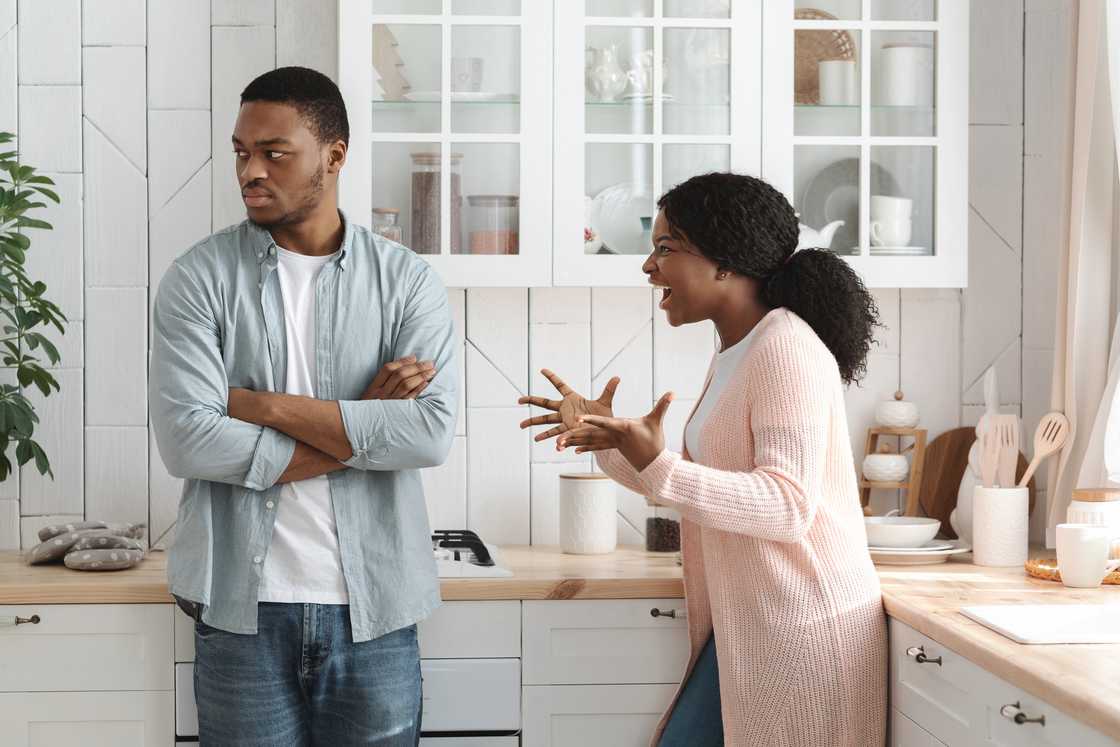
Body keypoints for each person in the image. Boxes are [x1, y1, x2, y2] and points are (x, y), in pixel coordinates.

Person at [521, 172, 887, 746]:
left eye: (665, 248)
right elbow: (705, 487)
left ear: (726, 263)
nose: (648, 266)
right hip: (755, 628)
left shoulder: (785, 347)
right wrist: (610, 439)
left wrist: (655, 462)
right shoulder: (739, 349)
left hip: (803, 629)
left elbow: (787, 506)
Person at [149, 66, 458, 746]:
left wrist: (255, 404)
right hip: (239, 612)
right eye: (240, 151)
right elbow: (188, 440)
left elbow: (429, 433)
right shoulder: (198, 279)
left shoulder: (408, 283)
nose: (249, 170)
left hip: (374, 611)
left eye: (273, 152)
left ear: (334, 155)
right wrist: (361, 425)